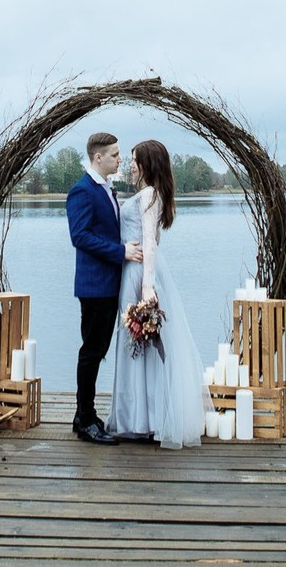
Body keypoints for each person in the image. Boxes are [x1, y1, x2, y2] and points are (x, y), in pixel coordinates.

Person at [106, 139, 207, 449]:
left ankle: (142, 419)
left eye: (136, 160)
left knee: (139, 344)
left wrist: (147, 287)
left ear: (148, 164)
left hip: (139, 274)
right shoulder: (152, 193)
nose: (131, 164)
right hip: (138, 267)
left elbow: (150, 241)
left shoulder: (149, 194)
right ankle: (145, 417)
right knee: (143, 346)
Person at [66, 131, 141, 444]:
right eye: (114, 154)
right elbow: (80, 237)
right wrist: (121, 251)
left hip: (109, 285)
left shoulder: (106, 189)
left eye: (119, 154)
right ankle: (85, 423)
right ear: (97, 157)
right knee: (92, 351)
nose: (119, 159)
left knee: (97, 351)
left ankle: (83, 414)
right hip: (95, 286)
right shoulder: (82, 191)